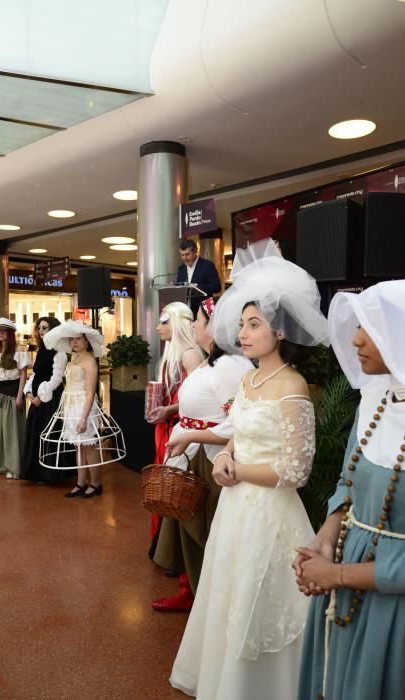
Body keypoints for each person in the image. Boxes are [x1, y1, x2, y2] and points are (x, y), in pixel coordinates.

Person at [170, 238, 329, 700]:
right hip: (236, 509)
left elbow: (295, 469)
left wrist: (238, 472)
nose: (242, 333)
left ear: (279, 331)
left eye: (254, 324)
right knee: (228, 594)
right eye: (241, 324)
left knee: (263, 602)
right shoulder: (249, 377)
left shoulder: (293, 385)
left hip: (271, 513)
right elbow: (237, 429)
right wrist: (223, 455)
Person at [295, 279, 405, 700]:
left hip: (389, 604)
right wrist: (327, 538)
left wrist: (338, 574)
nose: (355, 339)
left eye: (371, 328)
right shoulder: (376, 395)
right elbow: (347, 481)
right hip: (347, 578)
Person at [151, 297, 253, 611]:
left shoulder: (228, 366)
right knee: (188, 526)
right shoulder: (210, 362)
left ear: (214, 326)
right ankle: (192, 590)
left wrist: (193, 434)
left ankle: (207, 596)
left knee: (202, 528)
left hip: (211, 457)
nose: (194, 325)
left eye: (198, 320)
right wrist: (175, 413)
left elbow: (240, 421)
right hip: (193, 450)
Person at [41, 320, 125, 498]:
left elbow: (90, 392)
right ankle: (80, 483)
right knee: (78, 447)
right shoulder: (74, 357)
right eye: (72, 339)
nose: (74, 342)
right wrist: (65, 408)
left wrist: (83, 418)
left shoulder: (89, 362)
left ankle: (95, 484)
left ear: (87, 341)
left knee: (89, 447)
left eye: (78, 339)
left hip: (83, 407)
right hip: (71, 404)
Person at [148, 302, 203, 554]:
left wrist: (168, 410)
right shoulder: (172, 353)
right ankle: (165, 545)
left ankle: (175, 550)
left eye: (164, 321)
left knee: (176, 487)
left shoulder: (190, 354)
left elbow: (197, 398)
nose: (159, 328)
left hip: (181, 429)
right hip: (167, 427)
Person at [20, 317, 68, 483]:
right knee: (36, 434)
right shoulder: (41, 350)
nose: (40, 330)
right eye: (39, 327)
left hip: (51, 400)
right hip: (36, 399)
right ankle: (35, 472)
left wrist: (41, 397)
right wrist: (28, 393)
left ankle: (50, 475)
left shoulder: (59, 352)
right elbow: (36, 375)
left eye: (45, 328)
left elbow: (56, 379)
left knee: (49, 434)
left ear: (53, 329)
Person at [0, 318, 31, 479]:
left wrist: (19, 396)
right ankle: (3, 464)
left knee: (12, 432)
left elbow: (23, 375)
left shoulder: (19, 351)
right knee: (0, 430)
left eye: (4, 330)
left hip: (12, 394)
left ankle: (14, 466)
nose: (0, 333)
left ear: (10, 333)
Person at [176, 239, 221, 316]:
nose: (184, 258)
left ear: (195, 251)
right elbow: (180, 287)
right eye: (182, 255)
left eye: (187, 254)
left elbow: (217, 287)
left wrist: (196, 287)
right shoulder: (181, 268)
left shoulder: (208, 265)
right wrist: (175, 286)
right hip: (185, 312)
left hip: (206, 308)